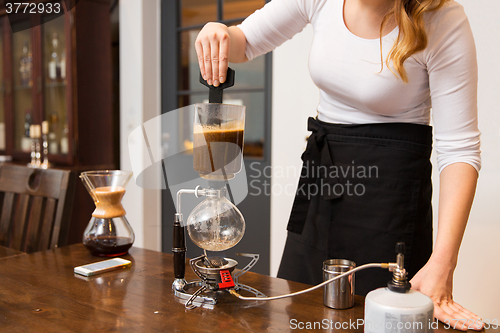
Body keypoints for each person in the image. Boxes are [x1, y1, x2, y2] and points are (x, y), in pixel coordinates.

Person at [195, 0, 483, 329]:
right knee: (297, 314)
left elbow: (459, 148)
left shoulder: (440, 18)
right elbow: (243, 43)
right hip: (322, 186)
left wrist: (443, 265)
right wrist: (218, 34)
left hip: (390, 201)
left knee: (375, 321)